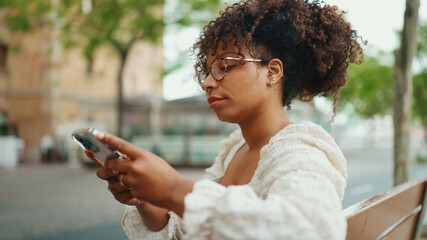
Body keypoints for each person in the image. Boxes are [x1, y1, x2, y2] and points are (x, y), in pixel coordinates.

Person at [87, 0, 364, 239]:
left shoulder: (300, 151)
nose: (207, 82)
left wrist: (174, 188)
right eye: (207, 71)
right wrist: (147, 199)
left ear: (272, 72)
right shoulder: (234, 150)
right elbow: (194, 226)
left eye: (225, 66)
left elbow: (314, 228)